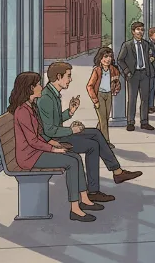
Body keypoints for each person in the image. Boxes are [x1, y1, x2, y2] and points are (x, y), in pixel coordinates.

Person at [38, 62, 143, 202]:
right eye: (68, 76)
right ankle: (94, 190)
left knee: (95, 133)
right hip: (54, 141)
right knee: (92, 146)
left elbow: (54, 120)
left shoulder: (53, 94)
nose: (70, 79)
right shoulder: (46, 98)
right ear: (58, 77)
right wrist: (72, 130)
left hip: (58, 135)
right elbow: (49, 130)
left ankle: (117, 171)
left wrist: (70, 112)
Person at [9, 71, 103, 222]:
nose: (41, 86)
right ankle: (75, 209)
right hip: (30, 157)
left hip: (36, 152)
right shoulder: (23, 111)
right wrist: (53, 149)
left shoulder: (30, 107)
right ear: (30, 88)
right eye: (38, 84)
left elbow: (39, 134)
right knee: (71, 161)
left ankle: (84, 199)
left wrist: (54, 143)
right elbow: (32, 141)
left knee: (75, 157)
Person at [117, 21, 155, 131]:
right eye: (138, 29)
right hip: (133, 75)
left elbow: (151, 56)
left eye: (142, 30)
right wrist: (127, 72)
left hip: (144, 74)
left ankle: (144, 122)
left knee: (145, 99)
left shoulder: (146, 44)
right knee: (132, 99)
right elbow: (120, 60)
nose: (140, 32)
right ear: (133, 31)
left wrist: (151, 59)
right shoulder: (127, 45)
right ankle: (130, 122)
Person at [86, 47, 121, 149]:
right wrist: (95, 100)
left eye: (110, 56)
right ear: (100, 58)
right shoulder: (97, 70)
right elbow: (89, 86)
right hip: (99, 95)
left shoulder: (114, 70)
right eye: (105, 56)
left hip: (108, 95)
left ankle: (93, 137)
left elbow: (117, 83)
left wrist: (116, 89)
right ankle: (106, 142)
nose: (108, 59)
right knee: (103, 121)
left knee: (104, 119)